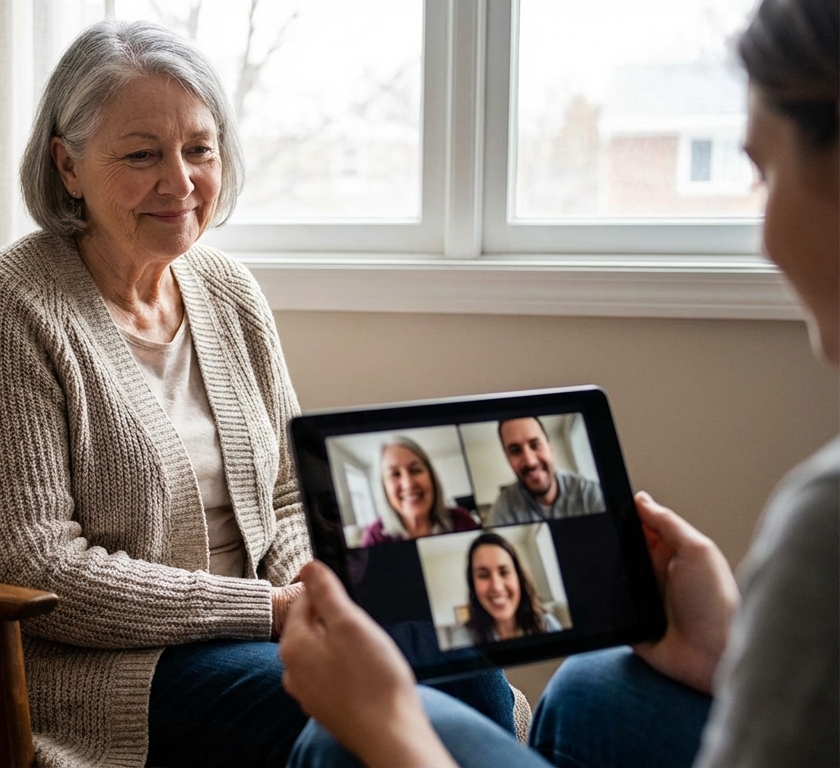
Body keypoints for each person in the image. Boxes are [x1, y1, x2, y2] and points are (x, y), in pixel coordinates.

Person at [0, 20, 516, 767]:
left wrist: (315, 592)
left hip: (254, 629)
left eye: (199, 148)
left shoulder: (227, 289)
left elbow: (292, 491)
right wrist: (265, 610)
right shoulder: (5, 309)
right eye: (142, 155)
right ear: (68, 167)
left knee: (476, 682)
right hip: (84, 664)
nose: (181, 181)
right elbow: (32, 567)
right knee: (364, 717)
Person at [278, 0, 838, 765]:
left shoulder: (825, 523)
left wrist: (385, 725)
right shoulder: (487, 513)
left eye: (764, 171)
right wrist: (728, 649)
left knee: (345, 744)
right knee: (589, 687)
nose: (765, 232)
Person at [451, 532, 562, 648]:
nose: (497, 587)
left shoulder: (548, 624)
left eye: (504, 572)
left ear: (519, 577)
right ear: (473, 584)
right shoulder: (462, 640)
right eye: (483, 575)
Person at [360, 438, 480, 545]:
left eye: (415, 470)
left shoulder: (462, 520)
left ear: (431, 477)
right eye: (395, 474)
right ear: (383, 487)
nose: (408, 484)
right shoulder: (374, 537)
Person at [487, 417, 604, 526]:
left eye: (535, 445)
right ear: (508, 458)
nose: (530, 462)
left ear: (550, 447)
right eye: (515, 451)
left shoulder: (590, 493)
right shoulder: (502, 510)